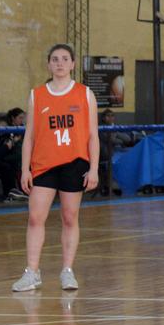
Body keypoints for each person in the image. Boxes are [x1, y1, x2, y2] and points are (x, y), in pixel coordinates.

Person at [12, 44, 99, 292]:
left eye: (64, 59)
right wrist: (25, 169)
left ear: (72, 64)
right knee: (35, 217)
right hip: (44, 165)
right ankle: (32, 272)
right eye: (54, 59)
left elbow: (93, 135)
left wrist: (93, 169)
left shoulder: (85, 94)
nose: (59, 63)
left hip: (74, 163)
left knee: (70, 218)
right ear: (48, 65)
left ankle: (67, 271)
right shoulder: (36, 95)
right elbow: (29, 136)